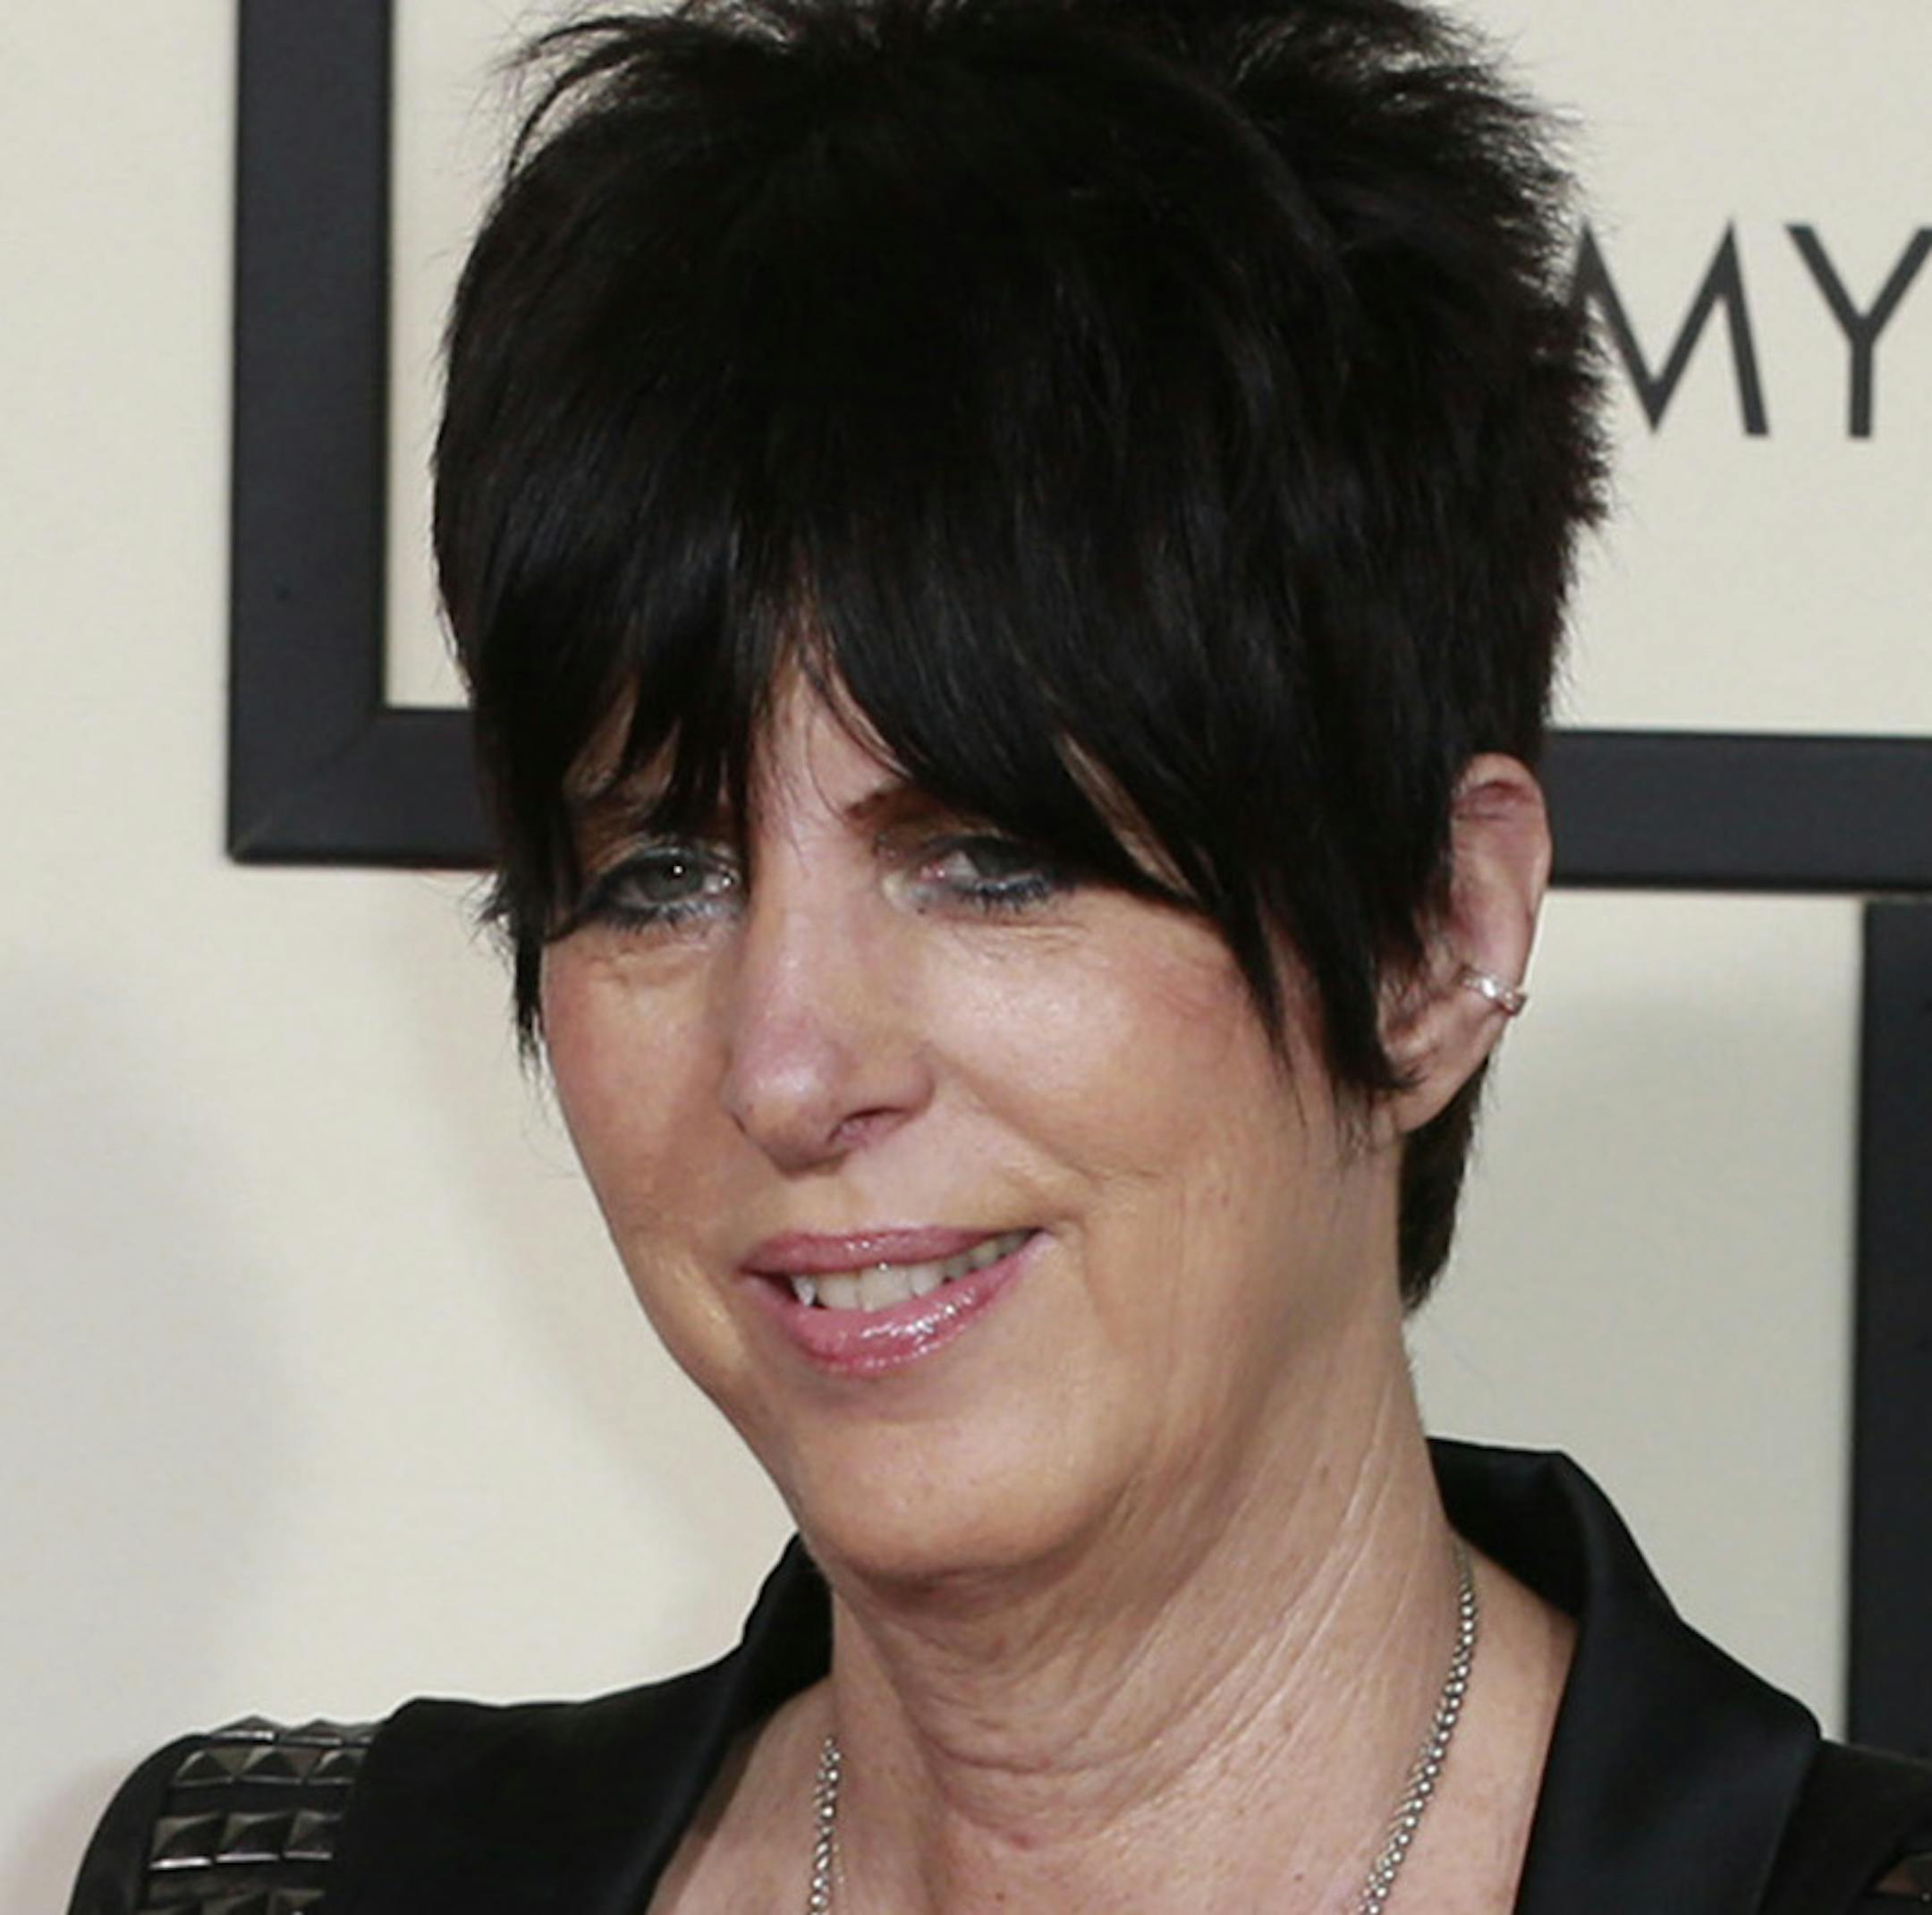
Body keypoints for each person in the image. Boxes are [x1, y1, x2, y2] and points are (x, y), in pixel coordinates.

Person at [66, 0, 1932, 1909]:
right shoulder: (267, 1889)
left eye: (987, 858)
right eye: (660, 875)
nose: (786, 1064)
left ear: (1435, 936)